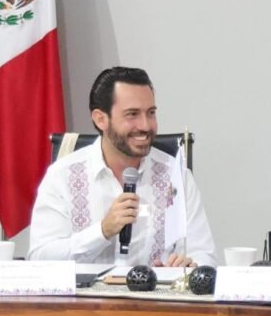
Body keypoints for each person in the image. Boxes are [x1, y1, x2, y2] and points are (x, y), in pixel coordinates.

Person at [28, 66, 216, 267]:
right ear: (101, 119)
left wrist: (188, 268)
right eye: (132, 114)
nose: (145, 125)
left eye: (151, 113)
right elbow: (40, 258)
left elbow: (205, 257)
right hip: (83, 289)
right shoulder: (62, 176)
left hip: (156, 289)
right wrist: (102, 231)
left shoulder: (176, 176)